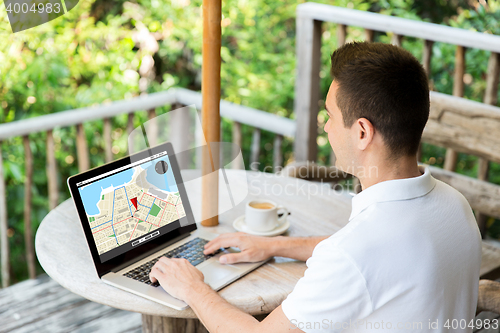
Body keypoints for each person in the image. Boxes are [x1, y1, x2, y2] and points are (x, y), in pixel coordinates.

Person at [149, 42, 482, 332]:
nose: (326, 127)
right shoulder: (454, 206)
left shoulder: (356, 251)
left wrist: (192, 287)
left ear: (362, 132)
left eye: (331, 116)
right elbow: (378, 257)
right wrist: (274, 246)